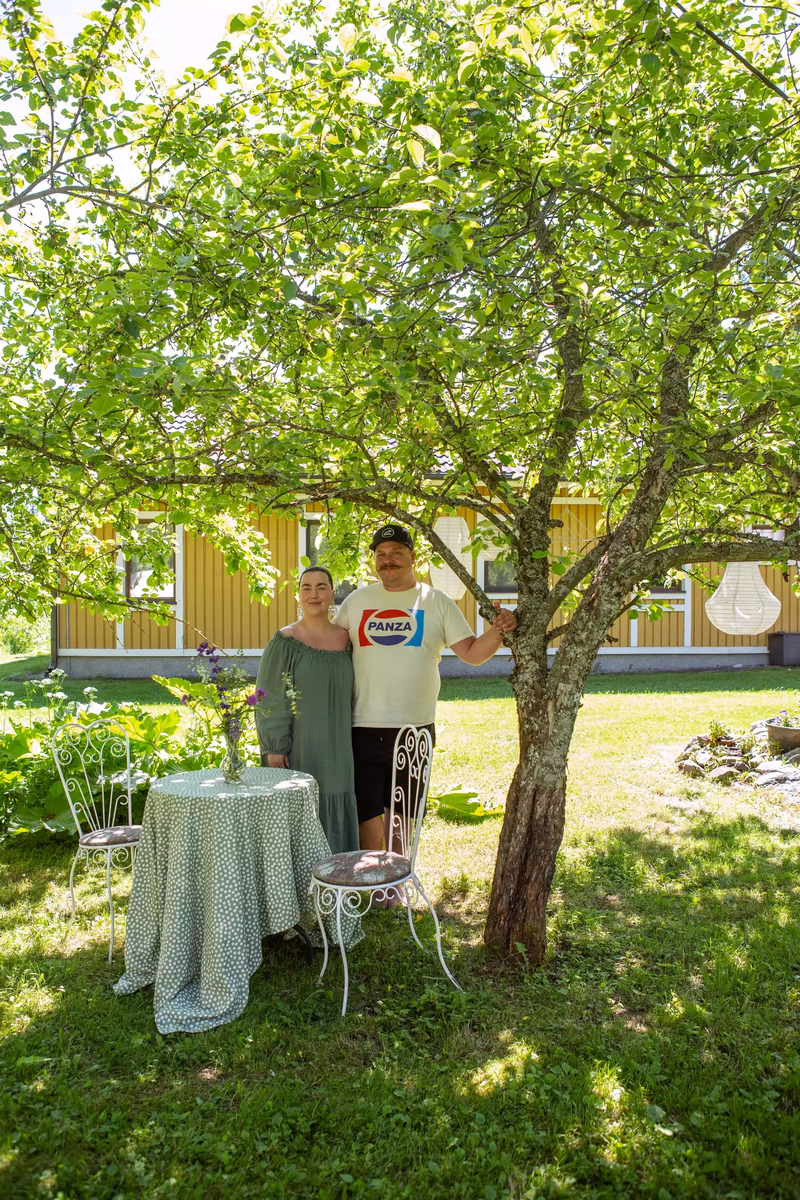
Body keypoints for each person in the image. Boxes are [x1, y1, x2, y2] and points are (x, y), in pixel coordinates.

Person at [334, 524, 518, 851]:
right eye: (381, 555)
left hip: (414, 727)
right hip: (361, 723)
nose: (388, 561)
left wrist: (500, 629)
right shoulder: (356, 601)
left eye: (396, 554)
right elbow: (329, 649)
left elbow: (473, 654)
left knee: (402, 812)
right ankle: (375, 879)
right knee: (366, 811)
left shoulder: (436, 602)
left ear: (413, 558)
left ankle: (396, 883)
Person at [255, 566, 359, 855]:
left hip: (340, 744)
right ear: (298, 595)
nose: (314, 594)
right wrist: (275, 746)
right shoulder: (285, 641)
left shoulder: (347, 640)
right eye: (306, 588)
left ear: (332, 593)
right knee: (301, 802)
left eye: (321, 587)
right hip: (299, 745)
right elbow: (269, 697)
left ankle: (338, 878)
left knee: (336, 795)